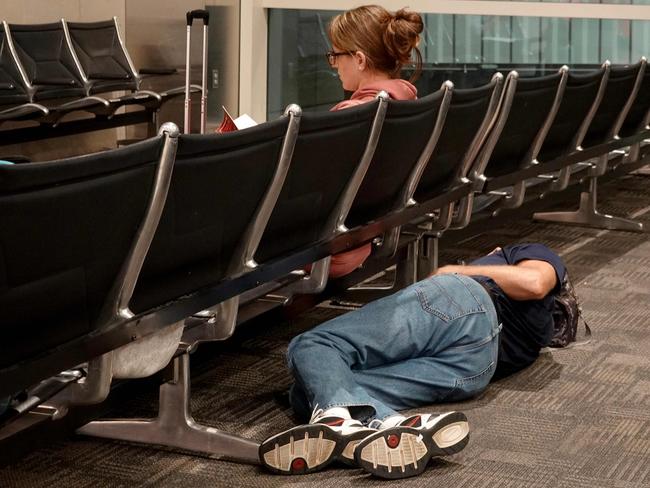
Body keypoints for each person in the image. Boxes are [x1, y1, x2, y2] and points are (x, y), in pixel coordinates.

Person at [259, 243, 566, 479]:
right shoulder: (534, 336)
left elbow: (534, 282)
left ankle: (352, 421)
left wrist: (452, 270)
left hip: (465, 304)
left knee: (314, 344)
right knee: (306, 394)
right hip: (474, 370)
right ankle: (391, 425)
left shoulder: (529, 252)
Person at [323, 4, 423, 278]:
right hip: (370, 236)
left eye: (336, 55)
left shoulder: (353, 116)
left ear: (359, 59)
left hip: (330, 250)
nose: (334, 64)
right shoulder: (408, 102)